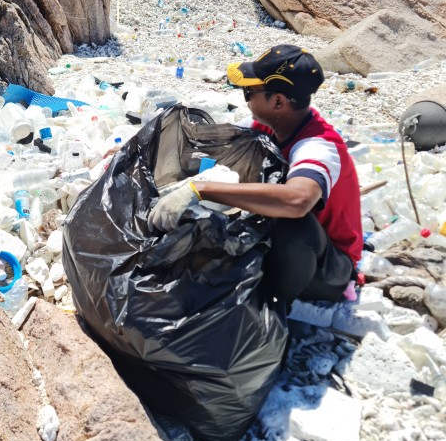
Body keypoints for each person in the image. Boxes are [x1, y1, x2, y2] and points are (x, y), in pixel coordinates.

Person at [148, 44, 362, 302]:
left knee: (292, 224)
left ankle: (280, 308)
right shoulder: (269, 126)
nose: (245, 98)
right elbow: (220, 145)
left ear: (278, 101)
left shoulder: (318, 146)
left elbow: (298, 200)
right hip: (293, 255)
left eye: (249, 91)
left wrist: (200, 191)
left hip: (327, 268)